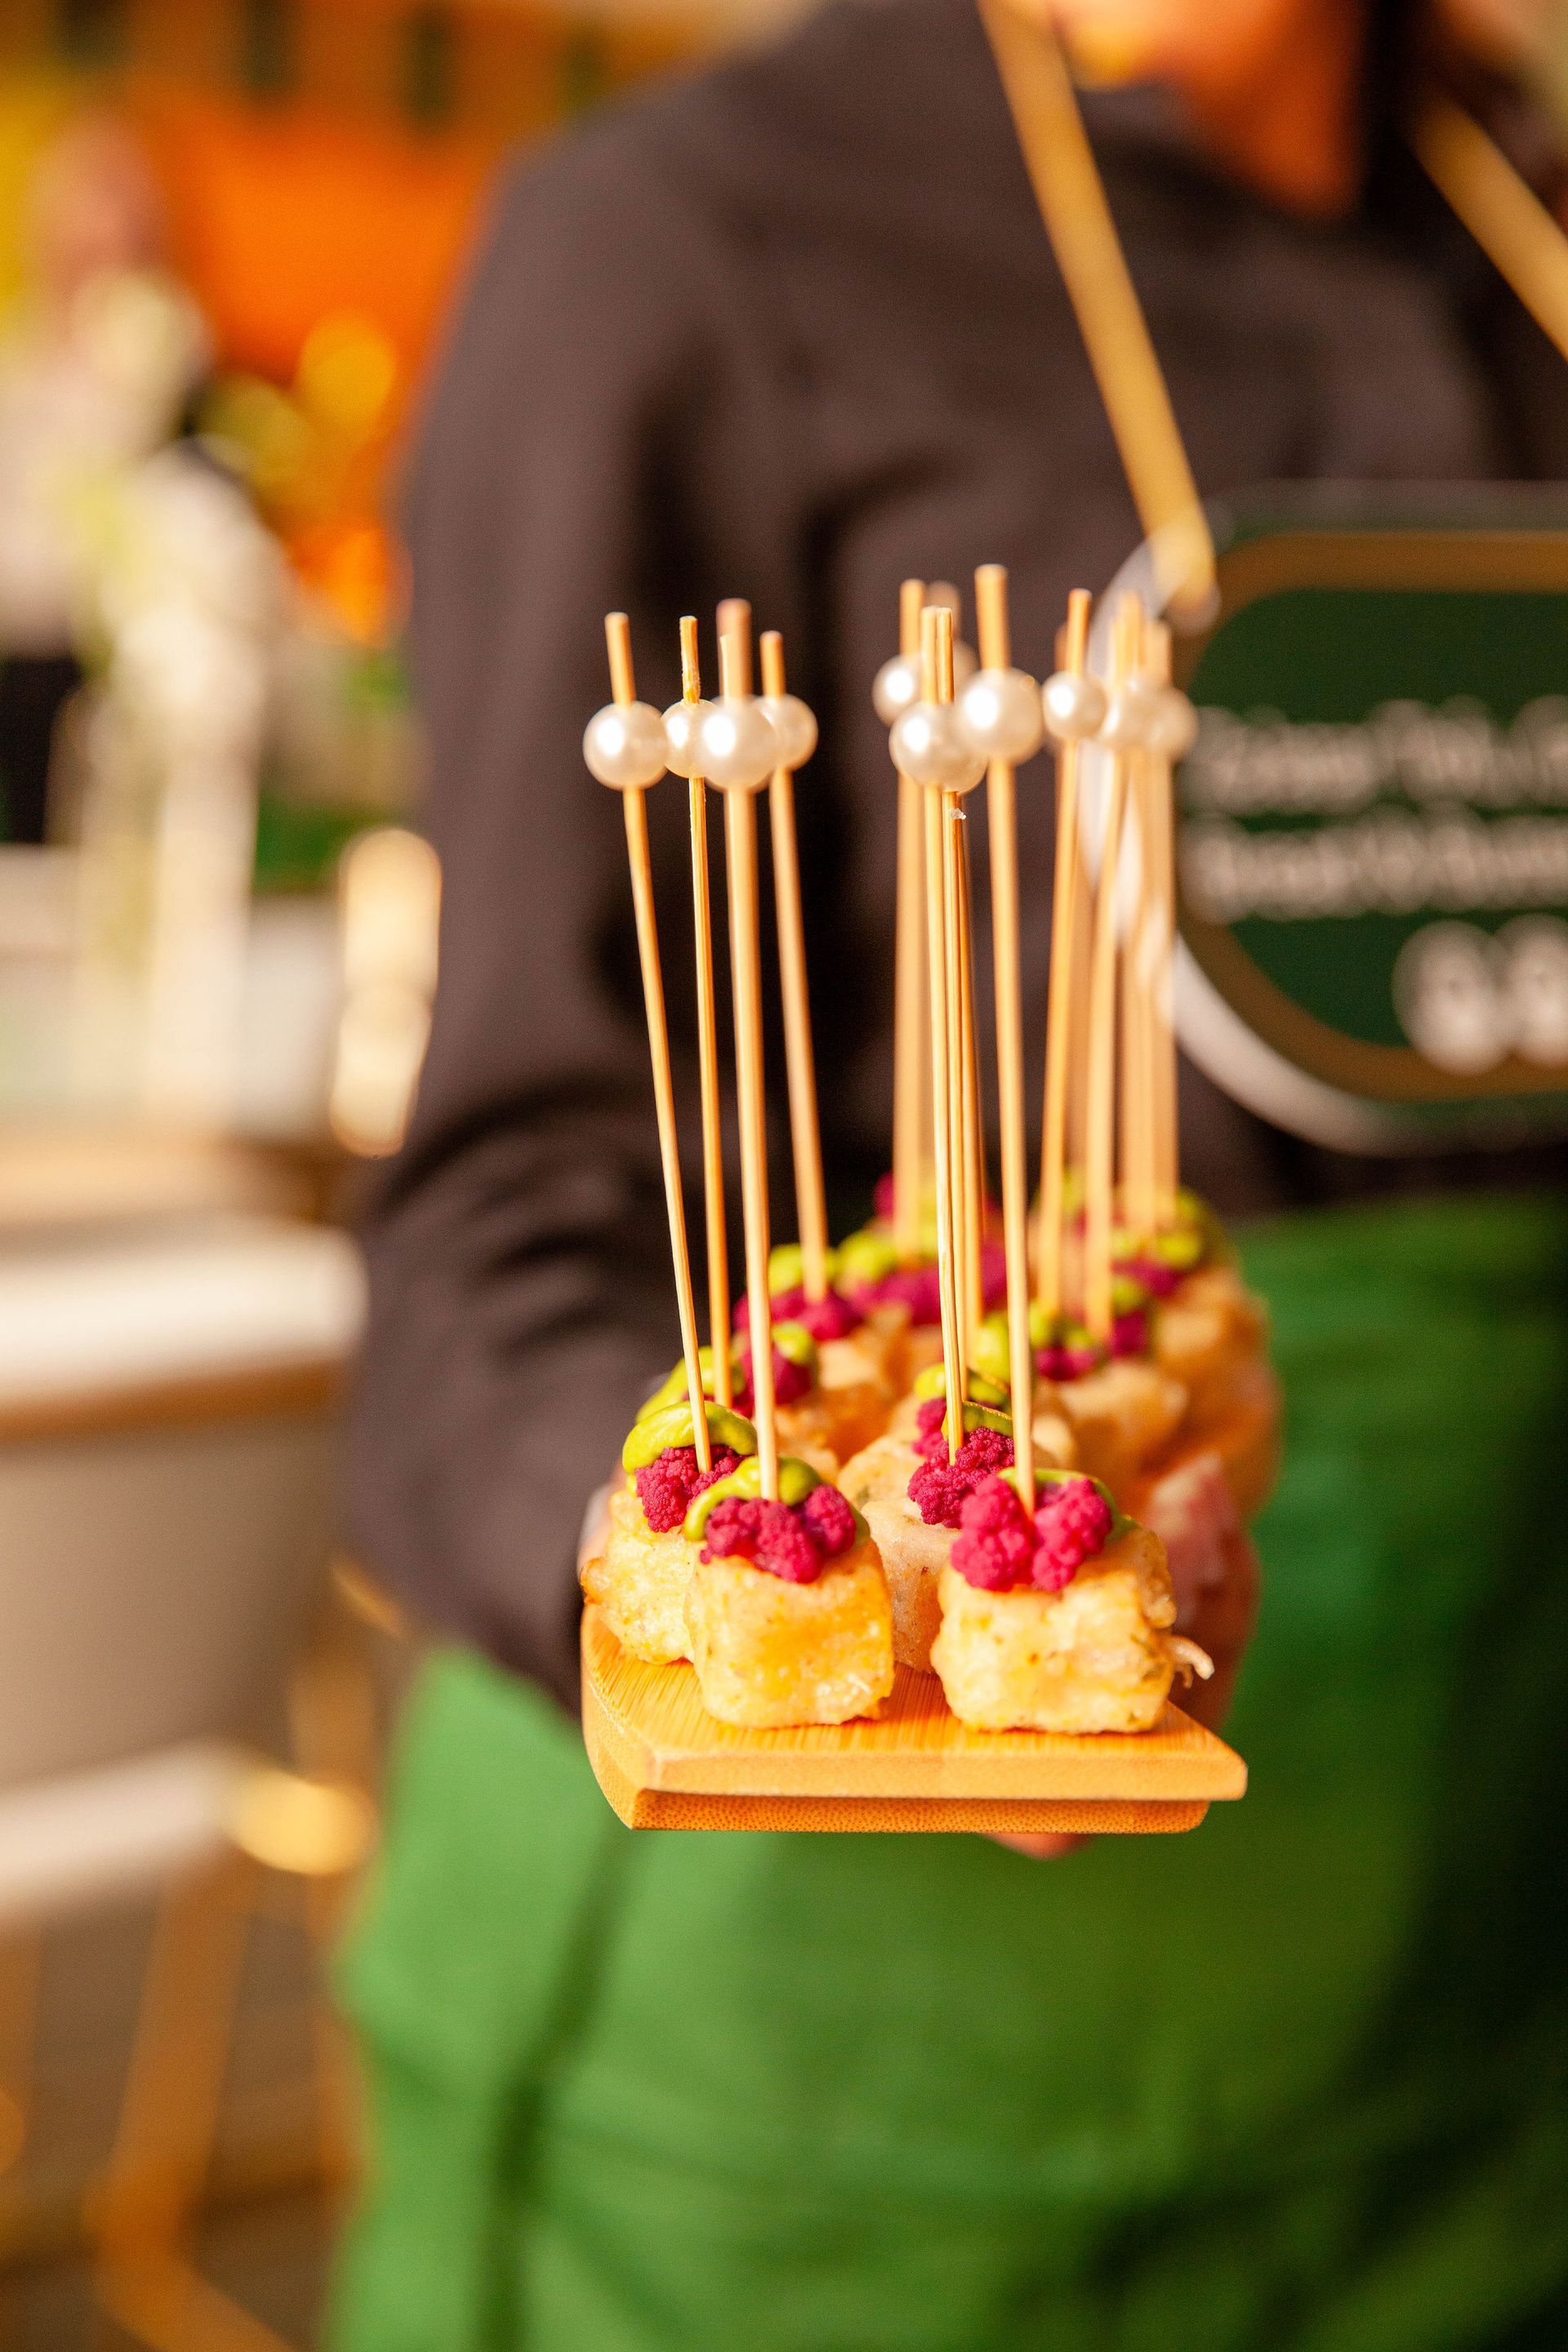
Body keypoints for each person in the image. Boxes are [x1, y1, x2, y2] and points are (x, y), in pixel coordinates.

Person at [333, 1, 1568, 2345]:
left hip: (1500, 1993)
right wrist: (725, 1558)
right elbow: (506, 1215)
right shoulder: (681, 240)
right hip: (847, 2094)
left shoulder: (1531, 216)